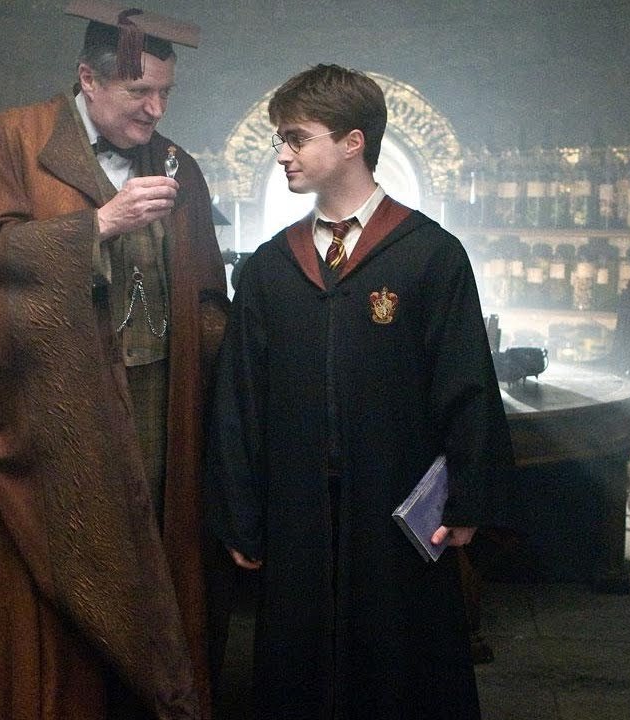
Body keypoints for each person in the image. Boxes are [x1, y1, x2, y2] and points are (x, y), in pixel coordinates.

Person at [0, 2, 229, 718]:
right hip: (53, 418)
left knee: (147, 565)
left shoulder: (179, 167)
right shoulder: (8, 142)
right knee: (62, 583)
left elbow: (206, 300)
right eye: (139, 92)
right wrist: (96, 225)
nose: (156, 109)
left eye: (166, 92)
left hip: (156, 412)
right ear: (88, 79)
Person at [207, 64, 514, 719]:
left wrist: (467, 497)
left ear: (353, 142)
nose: (282, 153)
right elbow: (240, 401)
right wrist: (240, 511)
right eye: (280, 140)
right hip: (296, 514)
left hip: (395, 507)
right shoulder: (270, 268)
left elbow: (465, 383)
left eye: (296, 138)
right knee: (300, 673)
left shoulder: (430, 256)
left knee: (400, 672)